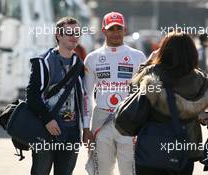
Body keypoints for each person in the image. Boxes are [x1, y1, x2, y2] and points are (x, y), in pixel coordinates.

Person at [129, 32, 208, 175]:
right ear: (192, 53)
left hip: (150, 145)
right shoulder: (199, 79)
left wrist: (149, 61)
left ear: (164, 51)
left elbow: (132, 90)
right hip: (183, 149)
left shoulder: (151, 72)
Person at [84, 12, 146, 175]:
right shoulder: (92, 58)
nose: (116, 32)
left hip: (129, 120)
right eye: (112, 29)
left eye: (119, 28)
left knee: (129, 170)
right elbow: (86, 96)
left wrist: (144, 125)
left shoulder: (137, 57)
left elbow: (145, 94)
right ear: (104, 30)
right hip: (101, 119)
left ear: (125, 29)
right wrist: (85, 127)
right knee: (101, 171)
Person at [26, 17, 86, 175]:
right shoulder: (43, 61)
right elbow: (32, 95)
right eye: (69, 33)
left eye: (77, 33)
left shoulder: (79, 65)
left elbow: (85, 98)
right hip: (45, 130)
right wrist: (47, 119)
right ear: (58, 35)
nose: (74, 36)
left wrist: (85, 128)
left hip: (71, 132)